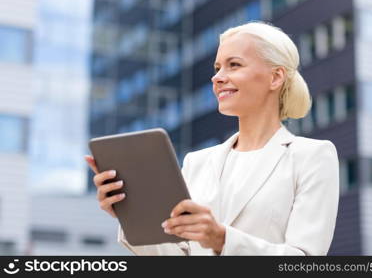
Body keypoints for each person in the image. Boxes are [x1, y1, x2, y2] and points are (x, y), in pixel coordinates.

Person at [85, 21, 339, 256]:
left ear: (275, 77)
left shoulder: (311, 157)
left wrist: (222, 239)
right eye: (217, 68)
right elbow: (179, 257)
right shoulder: (198, 162)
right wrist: (131, 213)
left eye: (234, 65)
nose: (217, 77)